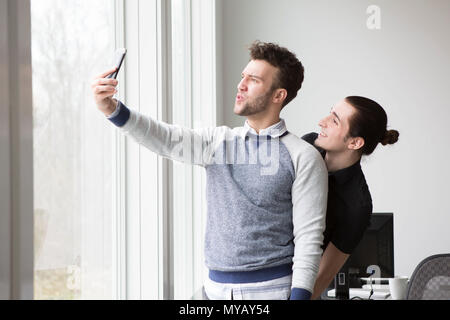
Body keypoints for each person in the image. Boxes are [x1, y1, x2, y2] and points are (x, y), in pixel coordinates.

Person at [91, 41, 328, 300]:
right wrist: (112, 110)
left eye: (254, 79)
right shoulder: (218, 142)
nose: (241, 84)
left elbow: (308, 238)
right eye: (243, 76)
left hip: (271, 290)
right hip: (214, 290)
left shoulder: (303, 156)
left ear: (278, 95)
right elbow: (165, 138)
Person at [301, 96, 399, 300]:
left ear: (355, 142)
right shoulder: (307, 146)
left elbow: (322, 276)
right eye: (330, 112)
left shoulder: (357, 205)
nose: (322, 121)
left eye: (335, 120)